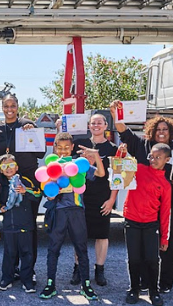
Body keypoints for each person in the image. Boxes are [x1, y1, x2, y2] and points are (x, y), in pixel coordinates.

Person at [110, 100, 173, 293]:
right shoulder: (142, 145)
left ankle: (165, 283)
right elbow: (123, 131)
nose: (161, 132)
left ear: (171, 132)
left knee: (167, 244)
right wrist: (116, 114)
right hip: (142, 206)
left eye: (165, 129)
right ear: (152, 130)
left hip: (168, 203)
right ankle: (144, 281)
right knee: (144, 246)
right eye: (158, 129)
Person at [39, 132, 101, 301]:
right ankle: (50, 283)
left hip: (76, 211)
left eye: (67, 147)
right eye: (59, 147)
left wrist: (95, 155)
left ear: (72, 147)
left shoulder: (78, 164)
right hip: (58, 211)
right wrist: (51, 193)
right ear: (54, 148)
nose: (63, 151)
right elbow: (47, 190)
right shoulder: (52, 165)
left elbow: (100, 174)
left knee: (81, 248)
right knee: (53, 248)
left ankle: (86, 284)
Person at [0, 94, 44, 271]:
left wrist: (32, 132)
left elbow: (41, 153)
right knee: (10, 227)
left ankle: (29, 269)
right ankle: (12, 269)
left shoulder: (27, 125)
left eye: (13, 106)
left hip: (28, 182)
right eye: (6, 106)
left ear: (17, 106)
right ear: (2, 107)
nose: (9, 109)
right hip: (6, 185)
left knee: (29, 227)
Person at [68, 114, 118, 287]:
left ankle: (99, 270)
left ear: (106, 126)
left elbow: (116, 177)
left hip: (102, 197)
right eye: (93, 123)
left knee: (102, 236)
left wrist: (112, 200)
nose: (96, 125)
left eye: (100, 123)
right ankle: (78, 269)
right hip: (81, 197)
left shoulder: (113, 148)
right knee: (79, 235)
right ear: (89, 126)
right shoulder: (80, 144)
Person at [122, 143, 172, 306]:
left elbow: (165, 213)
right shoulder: (139, 169)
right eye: (151, 156)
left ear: (167, 159)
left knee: (152, 259)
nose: (153, 160)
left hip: (151, 225)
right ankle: (134, 289)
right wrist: (121, 153)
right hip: (132, 221)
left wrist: (164, 238)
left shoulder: (165, 184)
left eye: (158, 157)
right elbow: (118, 166)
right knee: (133, 258)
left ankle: (154, 291)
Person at [0, 154, 39, 293]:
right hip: (9, 224)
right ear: (1, 170)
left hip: (25, 223)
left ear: (17, 167)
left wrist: (26, 191)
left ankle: (27, 280)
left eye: (11, 165)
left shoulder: (24, 181)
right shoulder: (0, 184)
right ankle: (6, 278)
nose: (8, 169)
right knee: (9, 253)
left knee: (27, 253)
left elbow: (38, 194)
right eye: (4, 166)